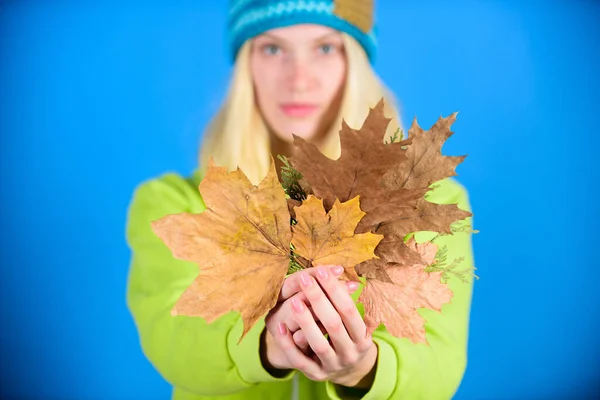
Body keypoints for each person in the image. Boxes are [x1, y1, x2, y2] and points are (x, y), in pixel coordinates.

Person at [125, 1, 476, 399]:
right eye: (273, 49)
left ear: (354, 62)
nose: (299, 79)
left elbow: (437, 360)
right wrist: (267, 346)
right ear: (246, 65)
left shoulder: (423, 204)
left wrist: (364, 369)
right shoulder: (175, 204)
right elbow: (172, 339)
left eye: (325, 48)